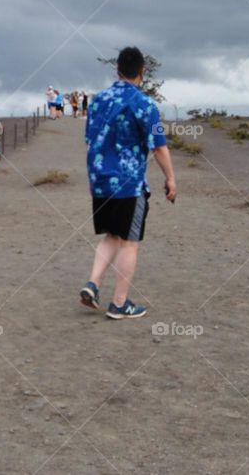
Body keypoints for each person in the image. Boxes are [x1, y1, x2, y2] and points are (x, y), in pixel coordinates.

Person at [80, 47, 176, 320]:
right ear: (142, 72)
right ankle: (119, 304)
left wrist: (95, 174)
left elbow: (90, 140)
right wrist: (170, 178)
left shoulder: (98, 101)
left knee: (111, 235)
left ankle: (93, 284)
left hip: (100, 181)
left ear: (117, 68)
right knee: (130, 243)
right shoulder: (146, 105)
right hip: (128, 184)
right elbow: (158, 147)